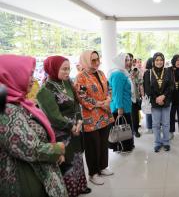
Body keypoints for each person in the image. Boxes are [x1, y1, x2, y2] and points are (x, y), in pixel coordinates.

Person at [0, 55, 67, 197]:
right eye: (28, 74)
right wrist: (58, 149)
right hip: (26, 180)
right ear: (12, 76)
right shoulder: (6, 110)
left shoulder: (19, 102)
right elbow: (30, 149)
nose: (32, 79)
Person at [37, 56, 91, 196]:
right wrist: (71, 126)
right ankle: (70, 191)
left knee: (78, 158)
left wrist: (79, 121)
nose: (67, 72)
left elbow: (76, 104)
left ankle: (80, 186)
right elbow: (53, 116)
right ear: (53, 69)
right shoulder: (45, 90)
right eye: (64, 69)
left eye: (69, 68)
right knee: (67, 161)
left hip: (76, 129)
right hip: (61, 133)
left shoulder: (66, 82)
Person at [74, 50, 114, 185]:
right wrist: (99, 104)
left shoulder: (101, 73)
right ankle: (93, 173)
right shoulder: (81, 77)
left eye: (98, 59)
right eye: (93, 60)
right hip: (90, 117)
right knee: (93, 146)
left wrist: (108, 99)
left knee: (103, 143)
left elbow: (109, 88)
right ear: (86, 61)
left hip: (104, 115)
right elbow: (82, 97)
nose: (97, 63)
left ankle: (102, 167)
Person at [143, 52, 174, 152]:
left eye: (161, 60)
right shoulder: (148, 73)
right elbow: (147, 88)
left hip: (166, 100)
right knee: (156, 124)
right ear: (153, 61)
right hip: (154, 102)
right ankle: (157, 142)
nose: (159, 62)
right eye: (157, 60)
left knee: (166, 123)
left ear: (164, 61)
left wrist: (163, 96)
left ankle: (166, 142)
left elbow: (171, 86)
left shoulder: (168, 71)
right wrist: (157, 98)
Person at [109, 53, 135, 152]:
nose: (128, 62)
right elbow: (117, 93)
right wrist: (119, 107)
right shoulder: (118, 74)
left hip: (125, 105)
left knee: (125, 127)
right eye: (126, 60)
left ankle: (127, 146)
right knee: (122, 128)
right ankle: (122, 147)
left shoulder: (123, 72)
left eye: (129, 60)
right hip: (120, 107)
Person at [143, 57, 153, 134]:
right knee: (149, 111)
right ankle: (150, 128)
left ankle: (151, 128)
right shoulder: (147, 73)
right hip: (150, 95)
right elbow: (146, 85)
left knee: (150, 111)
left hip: (151, 95)